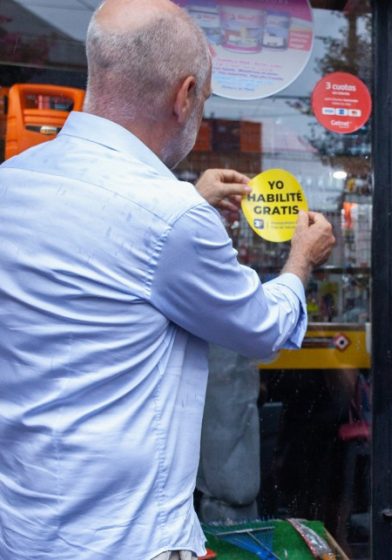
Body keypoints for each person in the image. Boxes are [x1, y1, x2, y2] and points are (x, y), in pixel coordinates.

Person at [0, 1, 335, 559]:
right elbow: (258, 327)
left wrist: (189, 202)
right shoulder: (171, 216)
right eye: (203, 100)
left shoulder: (11, 181)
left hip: (23, 531)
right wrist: (301, 260)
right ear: (183, 96)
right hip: (127, 541)